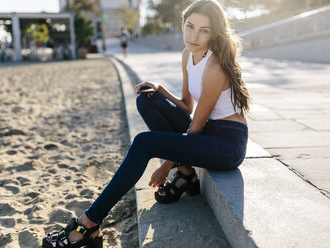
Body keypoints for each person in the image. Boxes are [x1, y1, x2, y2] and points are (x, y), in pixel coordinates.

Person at [42, 0, 250, 247]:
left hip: (227, 144)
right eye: (190, 26)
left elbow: (195, 127)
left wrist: (166, 166)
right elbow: (186, 106)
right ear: (182, 23)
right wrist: (161, 90)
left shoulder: (214, 65)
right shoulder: (189, 55)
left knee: (144, 143)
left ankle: (89, 224)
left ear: (214, 32)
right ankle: (186, 176)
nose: (194, 35)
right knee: (147, 100)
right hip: (206, 132)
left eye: (204, 30)